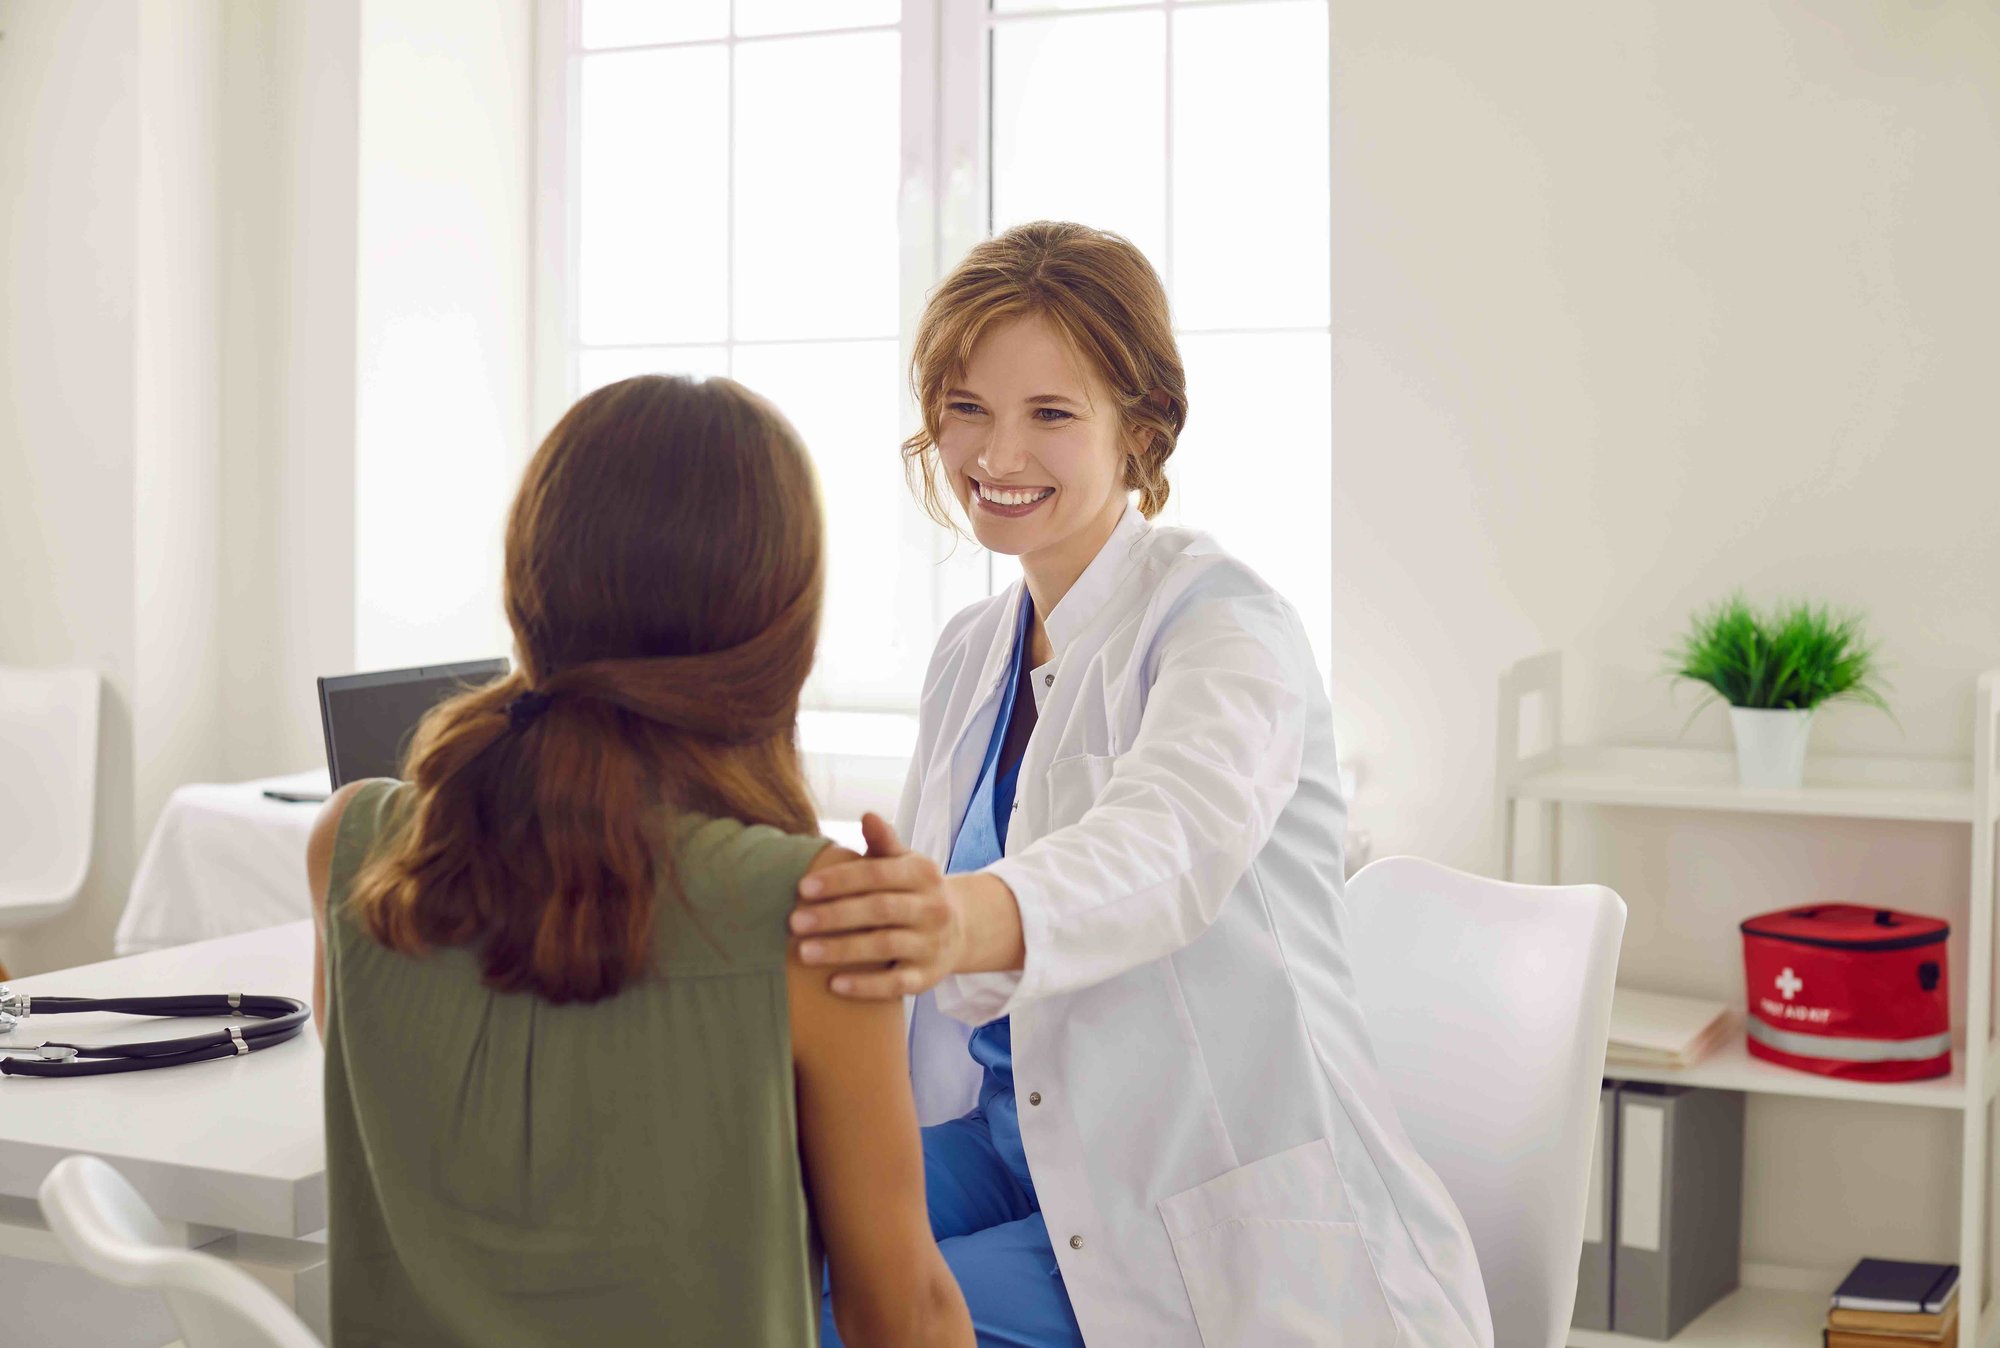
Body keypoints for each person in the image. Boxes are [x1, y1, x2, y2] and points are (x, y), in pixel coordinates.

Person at [795, 222, 1496, 1346]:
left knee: (836, 1318)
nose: (996, 451)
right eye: (966, 406)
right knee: (751, 1234)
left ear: (1142, 427)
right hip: (1006, 1146)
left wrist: (958, 917)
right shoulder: (972, 652)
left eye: (1050, 414)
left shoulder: (1225, 627)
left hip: (1185, 1201)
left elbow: (1166, 845)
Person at [306, 376, 972, 1348]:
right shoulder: (814, 911)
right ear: (778, 625)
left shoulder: (352, 844)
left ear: (530, 579)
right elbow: (900, 1315)